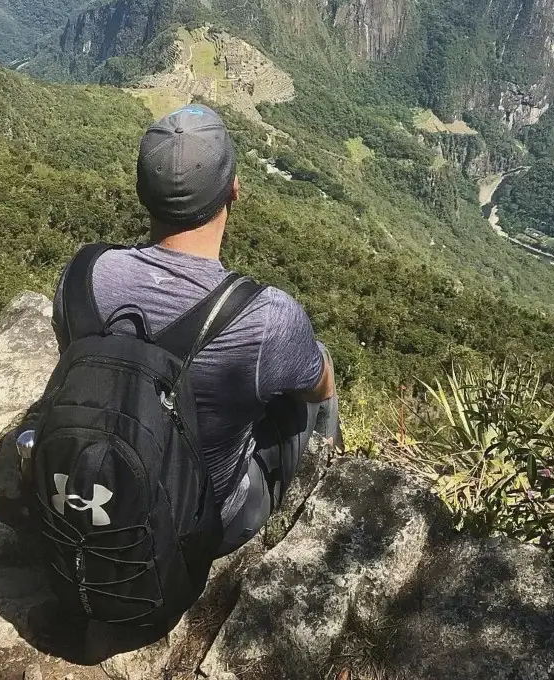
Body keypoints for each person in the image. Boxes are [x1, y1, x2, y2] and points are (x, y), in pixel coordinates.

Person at [52, 104, 340, 557]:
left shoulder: (81, 276)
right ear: (235, 191)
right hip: (201, 526)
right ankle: (329, 484)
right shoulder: (265, 318)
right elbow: (318, 387)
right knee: (315, 364)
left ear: (141, 192)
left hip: (95, 487)